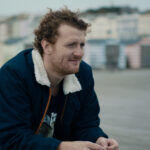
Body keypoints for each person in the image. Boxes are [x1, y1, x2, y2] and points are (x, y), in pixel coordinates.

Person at [0, 8, 119, 150]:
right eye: (71, 45)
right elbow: (12, 139)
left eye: (82, 45)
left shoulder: (83, 74)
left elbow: (86, 125)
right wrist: (62, 147)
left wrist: (99, 139)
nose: (79, 53)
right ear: (47, 46)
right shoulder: (13, 75)